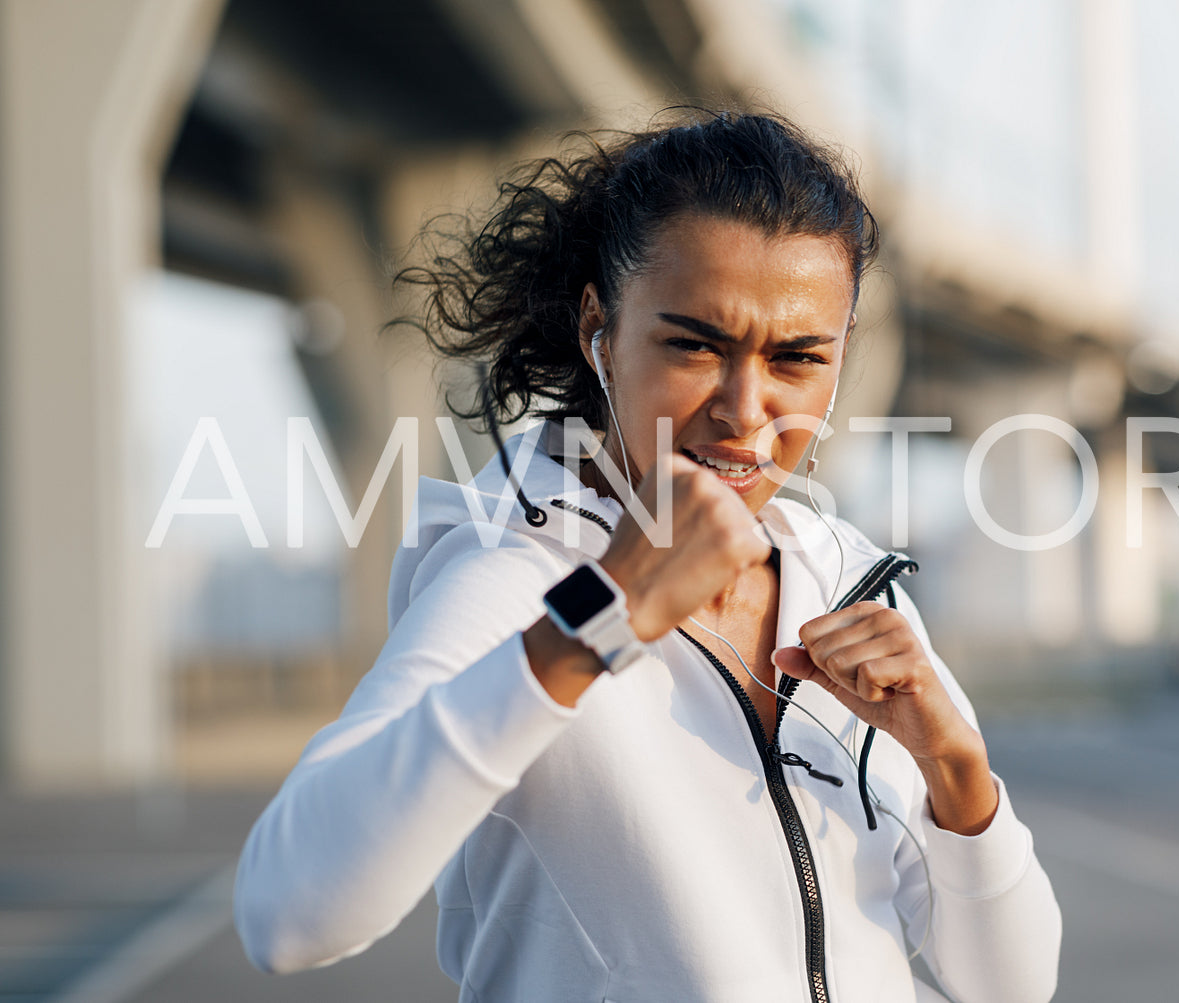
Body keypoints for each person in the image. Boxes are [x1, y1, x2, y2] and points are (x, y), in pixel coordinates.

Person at [233, 108, 1061, 1003]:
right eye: (695, 344)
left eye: (796, 358)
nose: (746, 410)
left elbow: (1011, 986)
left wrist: (955, 768)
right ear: (602, 326)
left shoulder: (849, 581)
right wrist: (596, 619)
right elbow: (288, 914)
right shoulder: (513, 575)